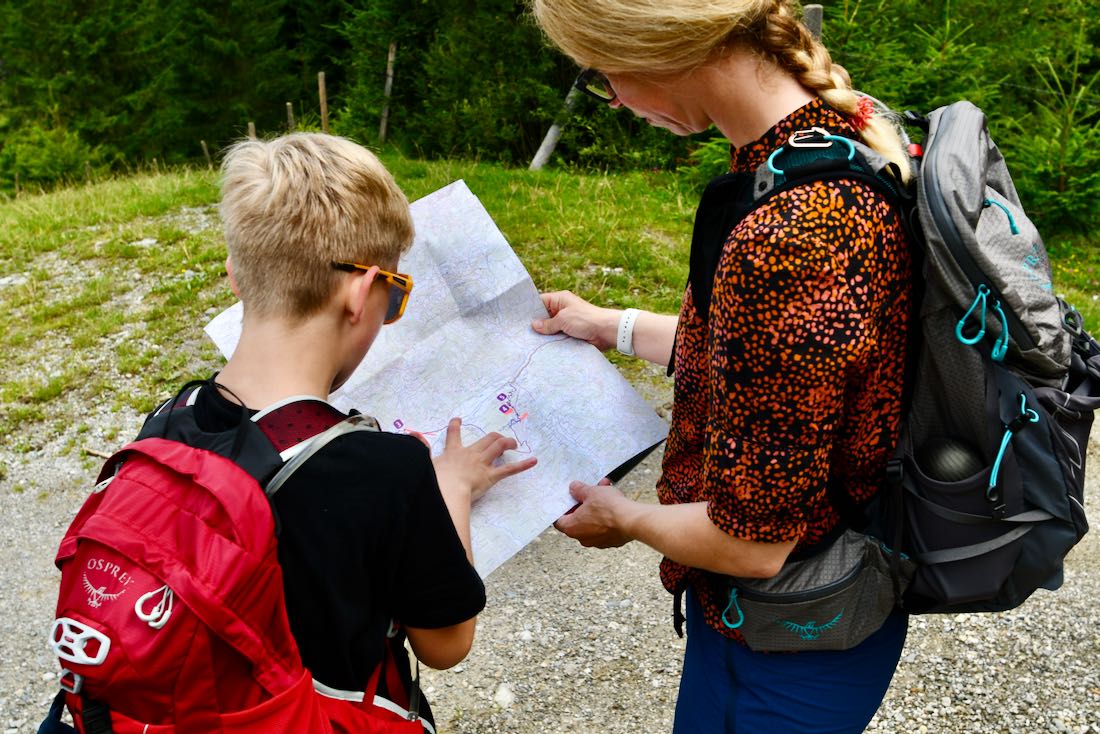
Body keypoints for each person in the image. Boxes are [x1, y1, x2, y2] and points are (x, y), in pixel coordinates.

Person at [48, 133, 536, 733]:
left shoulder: (170, 422)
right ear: (361, 294)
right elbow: (446, 644)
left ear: (236, 275)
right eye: (394, 299)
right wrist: (451, 488)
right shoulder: (385, 469)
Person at [529, 1, 915, 732]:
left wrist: (626, 518)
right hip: (830, 603)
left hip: (790, 633)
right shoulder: (847, 128)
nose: (616, 101)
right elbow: (780, 366)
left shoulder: (794, 230)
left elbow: (753, 544)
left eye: (607, 78)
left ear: (657, 48)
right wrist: (605, 325)